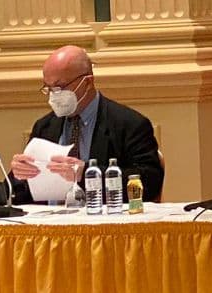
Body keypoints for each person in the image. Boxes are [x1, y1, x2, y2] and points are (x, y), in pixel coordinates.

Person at [9, 45, 164, 203]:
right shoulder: (44, 127)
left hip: (103, 215)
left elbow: (150, 182)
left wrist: (86, 174)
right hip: (51, 216)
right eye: (48, 88)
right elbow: (14, 194)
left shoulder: (129, 124)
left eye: (59, 87)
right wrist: (18, 175)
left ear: (88, 82)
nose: (53, 95)